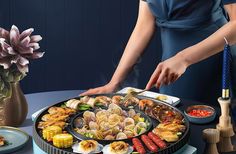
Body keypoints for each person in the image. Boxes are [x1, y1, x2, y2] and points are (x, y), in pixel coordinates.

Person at [81, 0, 236, 104]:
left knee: (211, 135)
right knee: (173, 126)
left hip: (212, 53)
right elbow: (144, 25)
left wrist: (184, 58)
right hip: (171, 60)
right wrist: (114, 83)